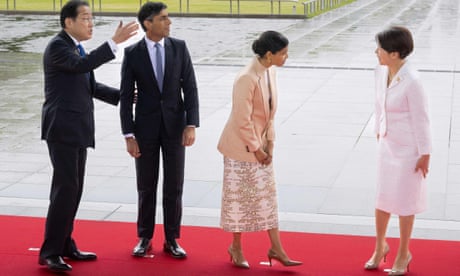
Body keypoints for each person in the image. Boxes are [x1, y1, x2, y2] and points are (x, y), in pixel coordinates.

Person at [39, 0, 138, 273]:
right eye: (84, 18)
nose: (90, 23)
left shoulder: (75, 47)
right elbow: (82, 66)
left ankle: (65, 244)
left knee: (73, 190)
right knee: (65, 191)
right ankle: (50, 252)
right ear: (68, 22)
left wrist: (126, 97)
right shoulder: (59, 46)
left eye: (92, 18)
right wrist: (113, 43)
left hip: (77, 129)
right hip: (62, 129)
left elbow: (91, 85)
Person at [119, 2, 199, 259]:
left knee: (174, 186)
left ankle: (172, 239)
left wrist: (191, 124)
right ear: (148, 23)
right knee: (146, 186)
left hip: (176, 129)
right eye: (163, 18)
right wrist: (129, 135)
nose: (169, 22)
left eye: (168, 17)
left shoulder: (180, 47)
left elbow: (191, 89)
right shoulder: (132, 53)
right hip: (145, 130)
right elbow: (124, 95)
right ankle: (145, 237)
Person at [217, 31, 301, 269]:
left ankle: (276, 248)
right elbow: (242, 120)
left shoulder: (269, 71)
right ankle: (236, 247)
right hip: (240, 149)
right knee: (239, 201)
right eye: (283, 53)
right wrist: (257, 149)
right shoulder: (246, 77)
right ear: (268, 54)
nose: (286, 57)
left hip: (261, 146)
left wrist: (270, 144)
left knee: (267, 199)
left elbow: (270, 113)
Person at [364, 26, 432, 275]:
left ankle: (403, 252)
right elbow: (378, 102)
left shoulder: (413, 81)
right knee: (382, 198)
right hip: (387, 144)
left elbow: (422, 119)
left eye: (379, 49)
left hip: (409, 151)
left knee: (404, 202)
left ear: (394, 53)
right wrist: (378, 131)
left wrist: (425, 154)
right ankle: (380, 246)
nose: (376, 52)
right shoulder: (380, 71)